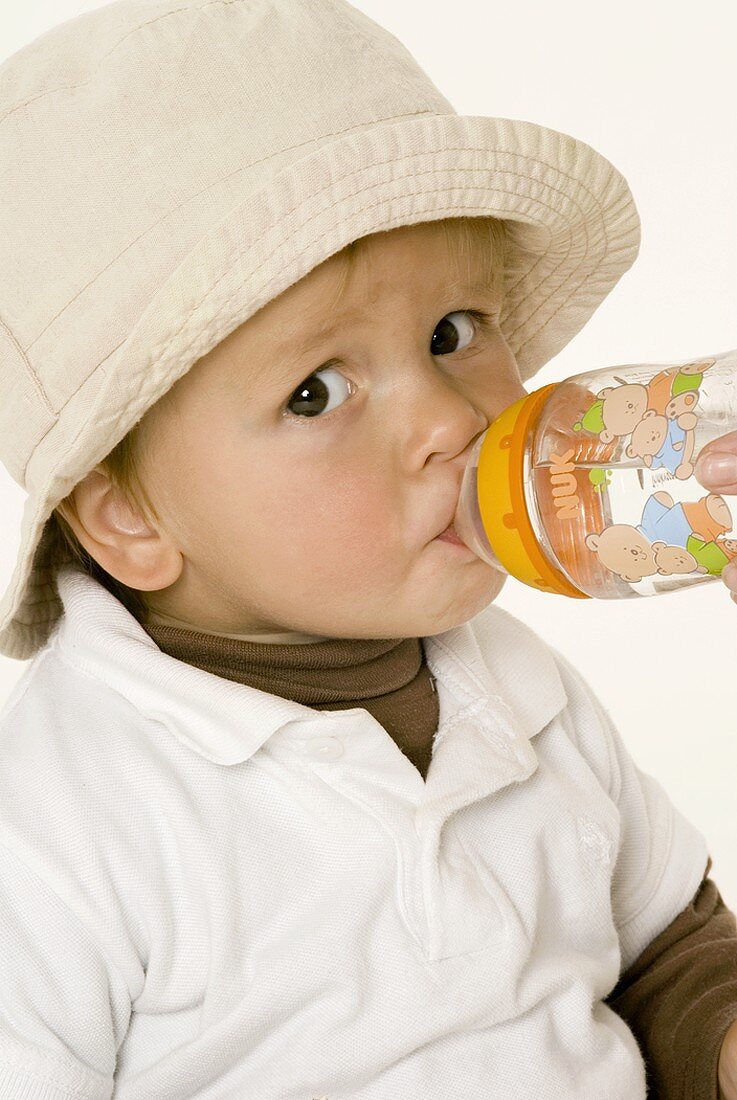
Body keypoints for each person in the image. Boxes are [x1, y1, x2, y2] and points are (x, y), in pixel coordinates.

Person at [0, 1, 735, 1097]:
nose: (447, 418)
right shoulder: (63, 819)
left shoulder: (524, 692)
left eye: (452, 332)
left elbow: (665, 961)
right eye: (316, 392)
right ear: (128, 518)